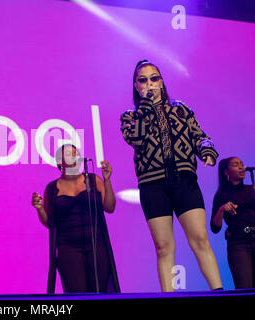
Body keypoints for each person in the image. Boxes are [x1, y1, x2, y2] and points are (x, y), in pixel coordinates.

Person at [120, 59, 223, 291]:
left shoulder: (180, 108)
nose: (150, 84)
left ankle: (218, 292)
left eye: (154, 78)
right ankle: (169, 296)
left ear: (162, 82)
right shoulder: (131, 116)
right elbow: (135, 138)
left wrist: (207, 151)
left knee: (200, 240)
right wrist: (146, 106)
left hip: (184, 181)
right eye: (143, 80)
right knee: (163, 246)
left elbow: (199, 135)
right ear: (136, 85)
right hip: (152, 186)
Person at [31, 144, 120, 293]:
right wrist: (39, 208)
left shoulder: (93, 180)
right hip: (68, 248)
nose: (74, 156)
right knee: (77, 292)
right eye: (69, 154)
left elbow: (110, 207)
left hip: (96, 245)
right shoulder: (52, 188)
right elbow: (50, 223)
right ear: (60, 162)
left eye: (75, 153)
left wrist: (107, 180)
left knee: (98, 292)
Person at [211, 157, 255, 289]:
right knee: (245, 286)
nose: (241, 167)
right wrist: (222, 210)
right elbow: (214, 227)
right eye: (236, 165)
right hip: (238, 243)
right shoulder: (221, 195)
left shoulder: (251, 190)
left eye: (242, 164)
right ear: (226, 172)